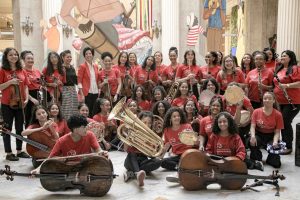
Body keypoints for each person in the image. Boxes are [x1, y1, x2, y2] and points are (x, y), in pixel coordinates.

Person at [31, 114, 107, 174]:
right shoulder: (62, 141)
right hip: (68, 169)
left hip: (86, 167)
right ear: (76, 129)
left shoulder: (90, 135)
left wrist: (102, 153)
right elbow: (50, 158)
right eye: (84, 127)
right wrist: (38, 169)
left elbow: (98, 150)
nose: (87, 129)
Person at [0, 47, 30, 161]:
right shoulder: (2, 70)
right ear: (6, 57)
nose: (14, 57)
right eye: (11, 55)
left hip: (21, 102)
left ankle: (19, 150)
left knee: (19, 127)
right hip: (7, 103)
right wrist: (10, 82)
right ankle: (8, 152)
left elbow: (26, 85)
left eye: (15, 54)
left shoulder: (21, 70)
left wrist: (26, 98)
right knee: (7, 128)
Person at [123, 111, 162, 187]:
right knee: (132, 153)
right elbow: (125, 149)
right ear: (139, 121)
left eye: (149, 123)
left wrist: (150, 148)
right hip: (131, 159)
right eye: (144, 122)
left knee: (158, 161)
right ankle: (138, 174)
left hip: (143, 160)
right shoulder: (133, 131)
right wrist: (128, 137)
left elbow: (152, 156)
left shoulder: (152, 135)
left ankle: (132, 173)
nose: (147, 125)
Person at [273, 50, 300, 155]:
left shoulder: (295, 68)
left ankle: (288, 146)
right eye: (282, 56)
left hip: (292, 101)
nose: (282, 57)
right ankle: (282, 143)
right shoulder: (279, 68)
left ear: (290, 58)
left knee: (285, 122)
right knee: (281, 122)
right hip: (279, 101)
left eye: (285, 56)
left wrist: (286, 86)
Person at [248, 92, 283, 168]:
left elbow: (277, 132)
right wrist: (253, 136)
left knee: (276, 164)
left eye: (270, 98)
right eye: (265, 98)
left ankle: (270, 158)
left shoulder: (278, 114)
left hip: (271, 136)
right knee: (251, 141)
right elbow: (252, 126)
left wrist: (275, 142)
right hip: (259, 134)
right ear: (262, 100)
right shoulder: (256, 111)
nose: (267, 100)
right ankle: (257, 157)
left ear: (274, 100)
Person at [21, 50, 42, 127]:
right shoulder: (22, 71)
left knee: (38, 116)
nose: (30, 60)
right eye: (28, 58)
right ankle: (29, 136)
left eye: (32, 59)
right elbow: (22, 88)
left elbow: (41, 83)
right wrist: (31, 99)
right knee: (29, 117)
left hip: (38, 95)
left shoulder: (37, 71)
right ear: (23, 60)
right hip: (27, 96)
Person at [77, 47, 100, 117]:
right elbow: (79, 81)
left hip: (95, 91)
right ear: (84, 56)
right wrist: (82, 94)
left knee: (94, 110)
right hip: (87, 92)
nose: (88, 55)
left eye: (90, 53)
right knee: (87, 111)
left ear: (92, 55)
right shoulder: (82, 66)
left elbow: (97, 79)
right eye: (86, 54)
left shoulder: (96, 66)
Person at [60, 50, 78, 120]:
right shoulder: (61, 68)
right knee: (66, 108)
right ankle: (65, 124)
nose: (69, 58)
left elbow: (75, 80)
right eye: (67, 57)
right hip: (64, 90)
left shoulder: (72, 68)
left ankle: (72, 124)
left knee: (74, 107)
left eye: (70, 57)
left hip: (73, 89)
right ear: (63, 58)